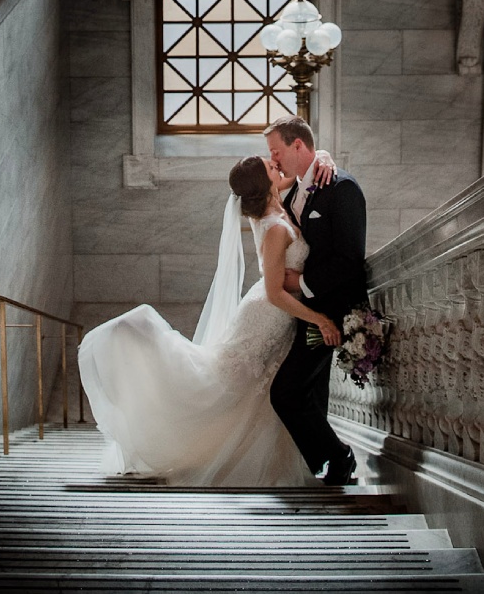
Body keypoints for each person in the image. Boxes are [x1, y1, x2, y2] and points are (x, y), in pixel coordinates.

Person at [77, 153, 341, 487]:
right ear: (265, 182)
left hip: (270, 310)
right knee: (231, 387)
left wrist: (322, 156)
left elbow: (298, 173)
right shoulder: (274, 226)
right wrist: (319, 319)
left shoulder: (273, 203)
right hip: (269, 312)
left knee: (246, 390)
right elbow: (276, 293)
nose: (278, 166)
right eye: (271, 166)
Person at [265, 115, 367, 485]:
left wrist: (302, 281)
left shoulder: (343, 188)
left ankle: (339, 456)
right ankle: (328, 464)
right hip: (309, 312)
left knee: (286, 391)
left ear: (298, 146)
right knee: (309, 390)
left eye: (276, 151)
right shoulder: (296, 190)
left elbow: (350, 259)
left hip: (331, 312)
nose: (273, 160)